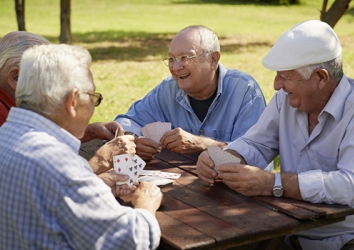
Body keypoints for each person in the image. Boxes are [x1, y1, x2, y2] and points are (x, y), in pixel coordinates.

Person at [196, 20, 354, 249]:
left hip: (344, 239)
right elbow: (256, 142)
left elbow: (350, 185)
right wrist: (223, 158)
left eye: (286, 76)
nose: (276, 85)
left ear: (321, 78)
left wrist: (274, 183)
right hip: (288, 230)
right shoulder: (286, 99)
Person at [0, 44, 163, 249]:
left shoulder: (6, 136)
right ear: (73, 101)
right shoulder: (59, 163)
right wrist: (146, 201)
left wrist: (96, 185)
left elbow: (48, 201)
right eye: (93, 98)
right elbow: (132, 240)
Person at [0, 31, 139, 196]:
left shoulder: (17, 110)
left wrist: (87, 132)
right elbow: (37, 188)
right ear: (16, 77)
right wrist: (100, 162)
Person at [115, 25, 267, 161]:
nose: (175, 67)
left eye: (184, 58)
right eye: (171, 59)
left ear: (213, 59)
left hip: (231, 188)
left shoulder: (245, 91)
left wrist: (202, 144)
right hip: (181, 187)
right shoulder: (167, 90)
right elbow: (126, 121)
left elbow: (254, 156)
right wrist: (134, 141)